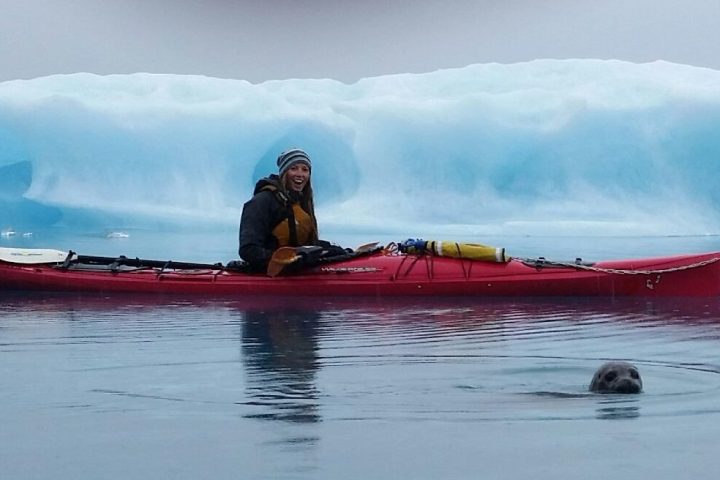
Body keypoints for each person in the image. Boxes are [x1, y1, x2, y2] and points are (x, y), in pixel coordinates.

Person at [239, 148, 344, 272]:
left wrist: (329, 250)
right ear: (284, 172)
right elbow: (248, 250)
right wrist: (290, 260)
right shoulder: (262, 201)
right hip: (270, 274)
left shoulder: (301, 203)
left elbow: (303, 245)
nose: (300, 174)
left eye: (305, 170)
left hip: (297, 270)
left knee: (334, 250)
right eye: (293, 168)